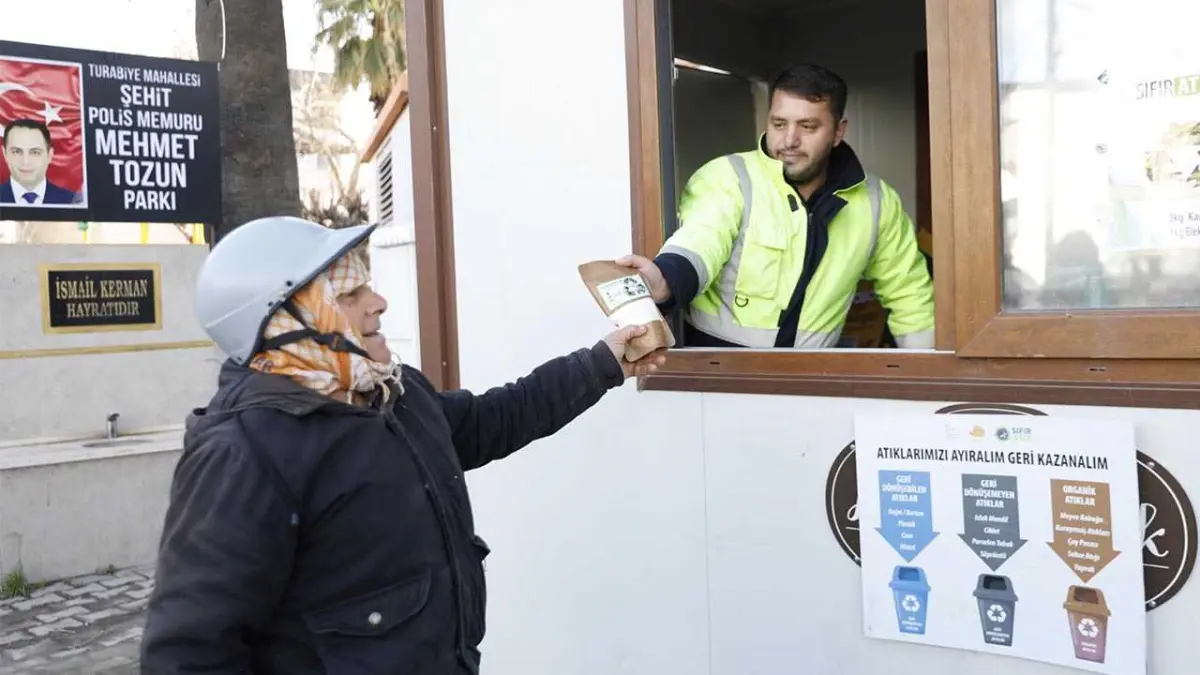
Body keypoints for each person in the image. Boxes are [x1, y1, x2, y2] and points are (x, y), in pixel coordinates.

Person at [139, 216, 665, 674]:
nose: (378, 303)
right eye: (348, 295)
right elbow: (189, 652)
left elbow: (493, 419)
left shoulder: (391, 392)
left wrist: (602, 363)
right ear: (284, 326)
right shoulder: (245, 450)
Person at [619, 64, 934, 350]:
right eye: (779, 124)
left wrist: (926, 384)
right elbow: (702, 239)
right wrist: (668, 279)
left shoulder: (878, 200)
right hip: (716, 367)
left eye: (808, 127)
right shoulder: (729, 177)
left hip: (813, 375)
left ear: (839, 131)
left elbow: (910, 295)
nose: (789, 140)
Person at [0, 119, 80, 205]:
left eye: (35, 152)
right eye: (16, 151)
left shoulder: (73, 202)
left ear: (50, 155)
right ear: (5, 154)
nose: (25, 162)